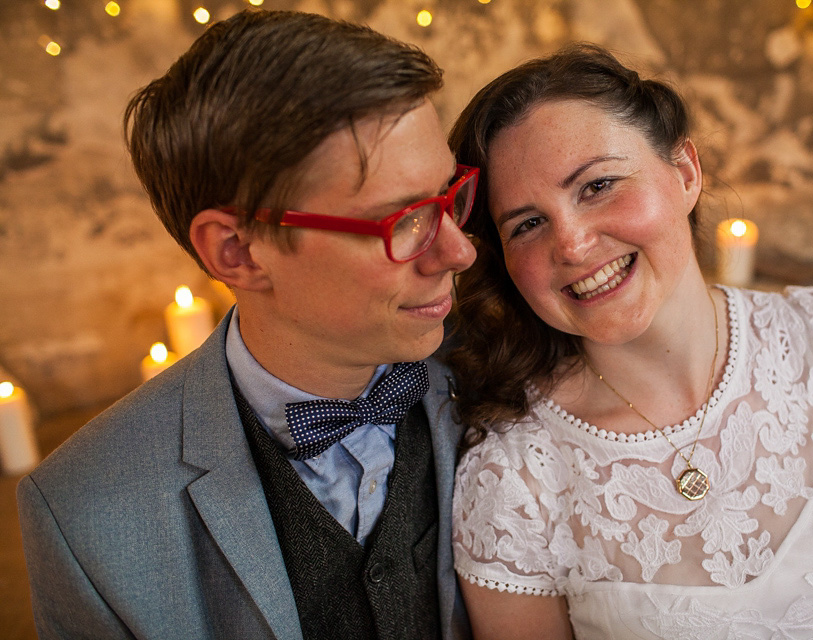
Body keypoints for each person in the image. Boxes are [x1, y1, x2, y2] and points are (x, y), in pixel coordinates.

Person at [445, 43, 813, 639]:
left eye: (598, 186)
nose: (573, 245)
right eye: (528, 223)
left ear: (685, 173)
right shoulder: (513, 477)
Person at [17, 9, 477, 639]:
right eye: (402, 221)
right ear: (236, 251)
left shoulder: (507, 363)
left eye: (449, 196)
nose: (459, 251)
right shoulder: (83, 513)